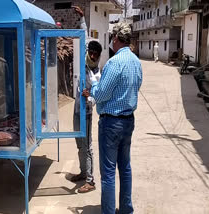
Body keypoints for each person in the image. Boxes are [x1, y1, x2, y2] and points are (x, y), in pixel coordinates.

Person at [86, 22, 142, 213]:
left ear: (117, 39)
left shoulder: (114, 63)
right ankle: (126, 209)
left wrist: (93, 86)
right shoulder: (136, 62)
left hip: (111, 123)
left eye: (112, 38)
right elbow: (136, 86)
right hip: (128, 120)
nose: (111, 41)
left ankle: (108, 211)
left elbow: (100, 94)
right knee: (125, 168)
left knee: (108, 173)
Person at [70, 6, 102, 194]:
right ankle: (83, 172)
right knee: (78, 143)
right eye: (90, 53)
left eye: (95, 55)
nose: (91, 56)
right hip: (76, 109)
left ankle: (90, 180)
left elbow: (96, 97)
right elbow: (85, 37)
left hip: (87, 112)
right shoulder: (85, 56)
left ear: (98, 57)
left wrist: (88, 96)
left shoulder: (96, 74)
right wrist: (82, 18)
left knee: (87, 145)